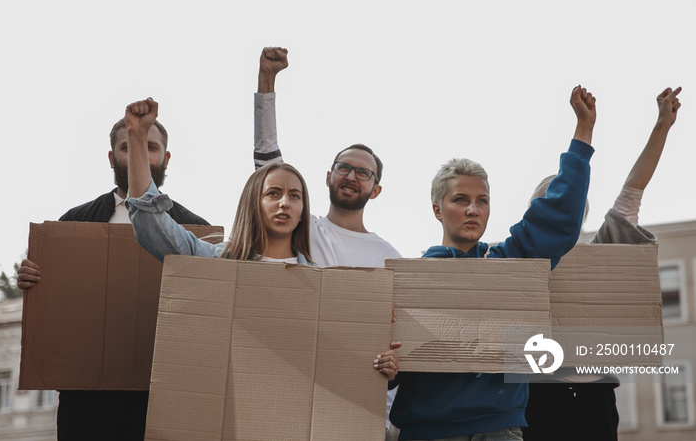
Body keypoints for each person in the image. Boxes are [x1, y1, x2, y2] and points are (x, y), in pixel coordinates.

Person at [122, 97, 400, 379]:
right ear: (255, 202)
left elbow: (348, 359)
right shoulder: (216, 262)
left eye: (295, 196)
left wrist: (383, 366)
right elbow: (150, 222)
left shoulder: (322, 286)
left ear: (303, 212)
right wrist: (136, 136)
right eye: (273, 193)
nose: (284, 203)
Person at [388, 85, 597, 440]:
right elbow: (395, 360)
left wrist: (583, 134)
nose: (472, 209)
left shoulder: (508, 264)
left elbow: (556, 218)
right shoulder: (410, 281)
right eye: (460, 199)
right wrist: (390, 369)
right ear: (437, 208)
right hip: (429, 431)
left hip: (500, 428)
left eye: (482, 200)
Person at [16, 115, 209, 440]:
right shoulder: (75, 223)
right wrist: (33, 280)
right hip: (87, 401)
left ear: (166, 157)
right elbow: (55, 305)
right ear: (111, 157)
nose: (141, 155)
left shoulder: (194, 229)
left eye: (151, 147)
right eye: (128, 147)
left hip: (159, 397)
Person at [254, 47, 403, 436]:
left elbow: (395, 340)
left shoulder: (390, 258)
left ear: (377, 189)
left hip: (358, 409)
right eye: (344, 167)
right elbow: (268, 165)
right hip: (293, 391)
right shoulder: (305, 229)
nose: (352, 176)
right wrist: (266, 80)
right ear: (327, 177)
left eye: (364, 173)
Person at [522, 86, 682, 441]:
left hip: (593, 401)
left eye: (571, 207)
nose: (562, 213)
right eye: (551, 206)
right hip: (535, 399)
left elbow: (632, 190)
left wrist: (662, 126)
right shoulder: (513, 261)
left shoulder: (601, 255)